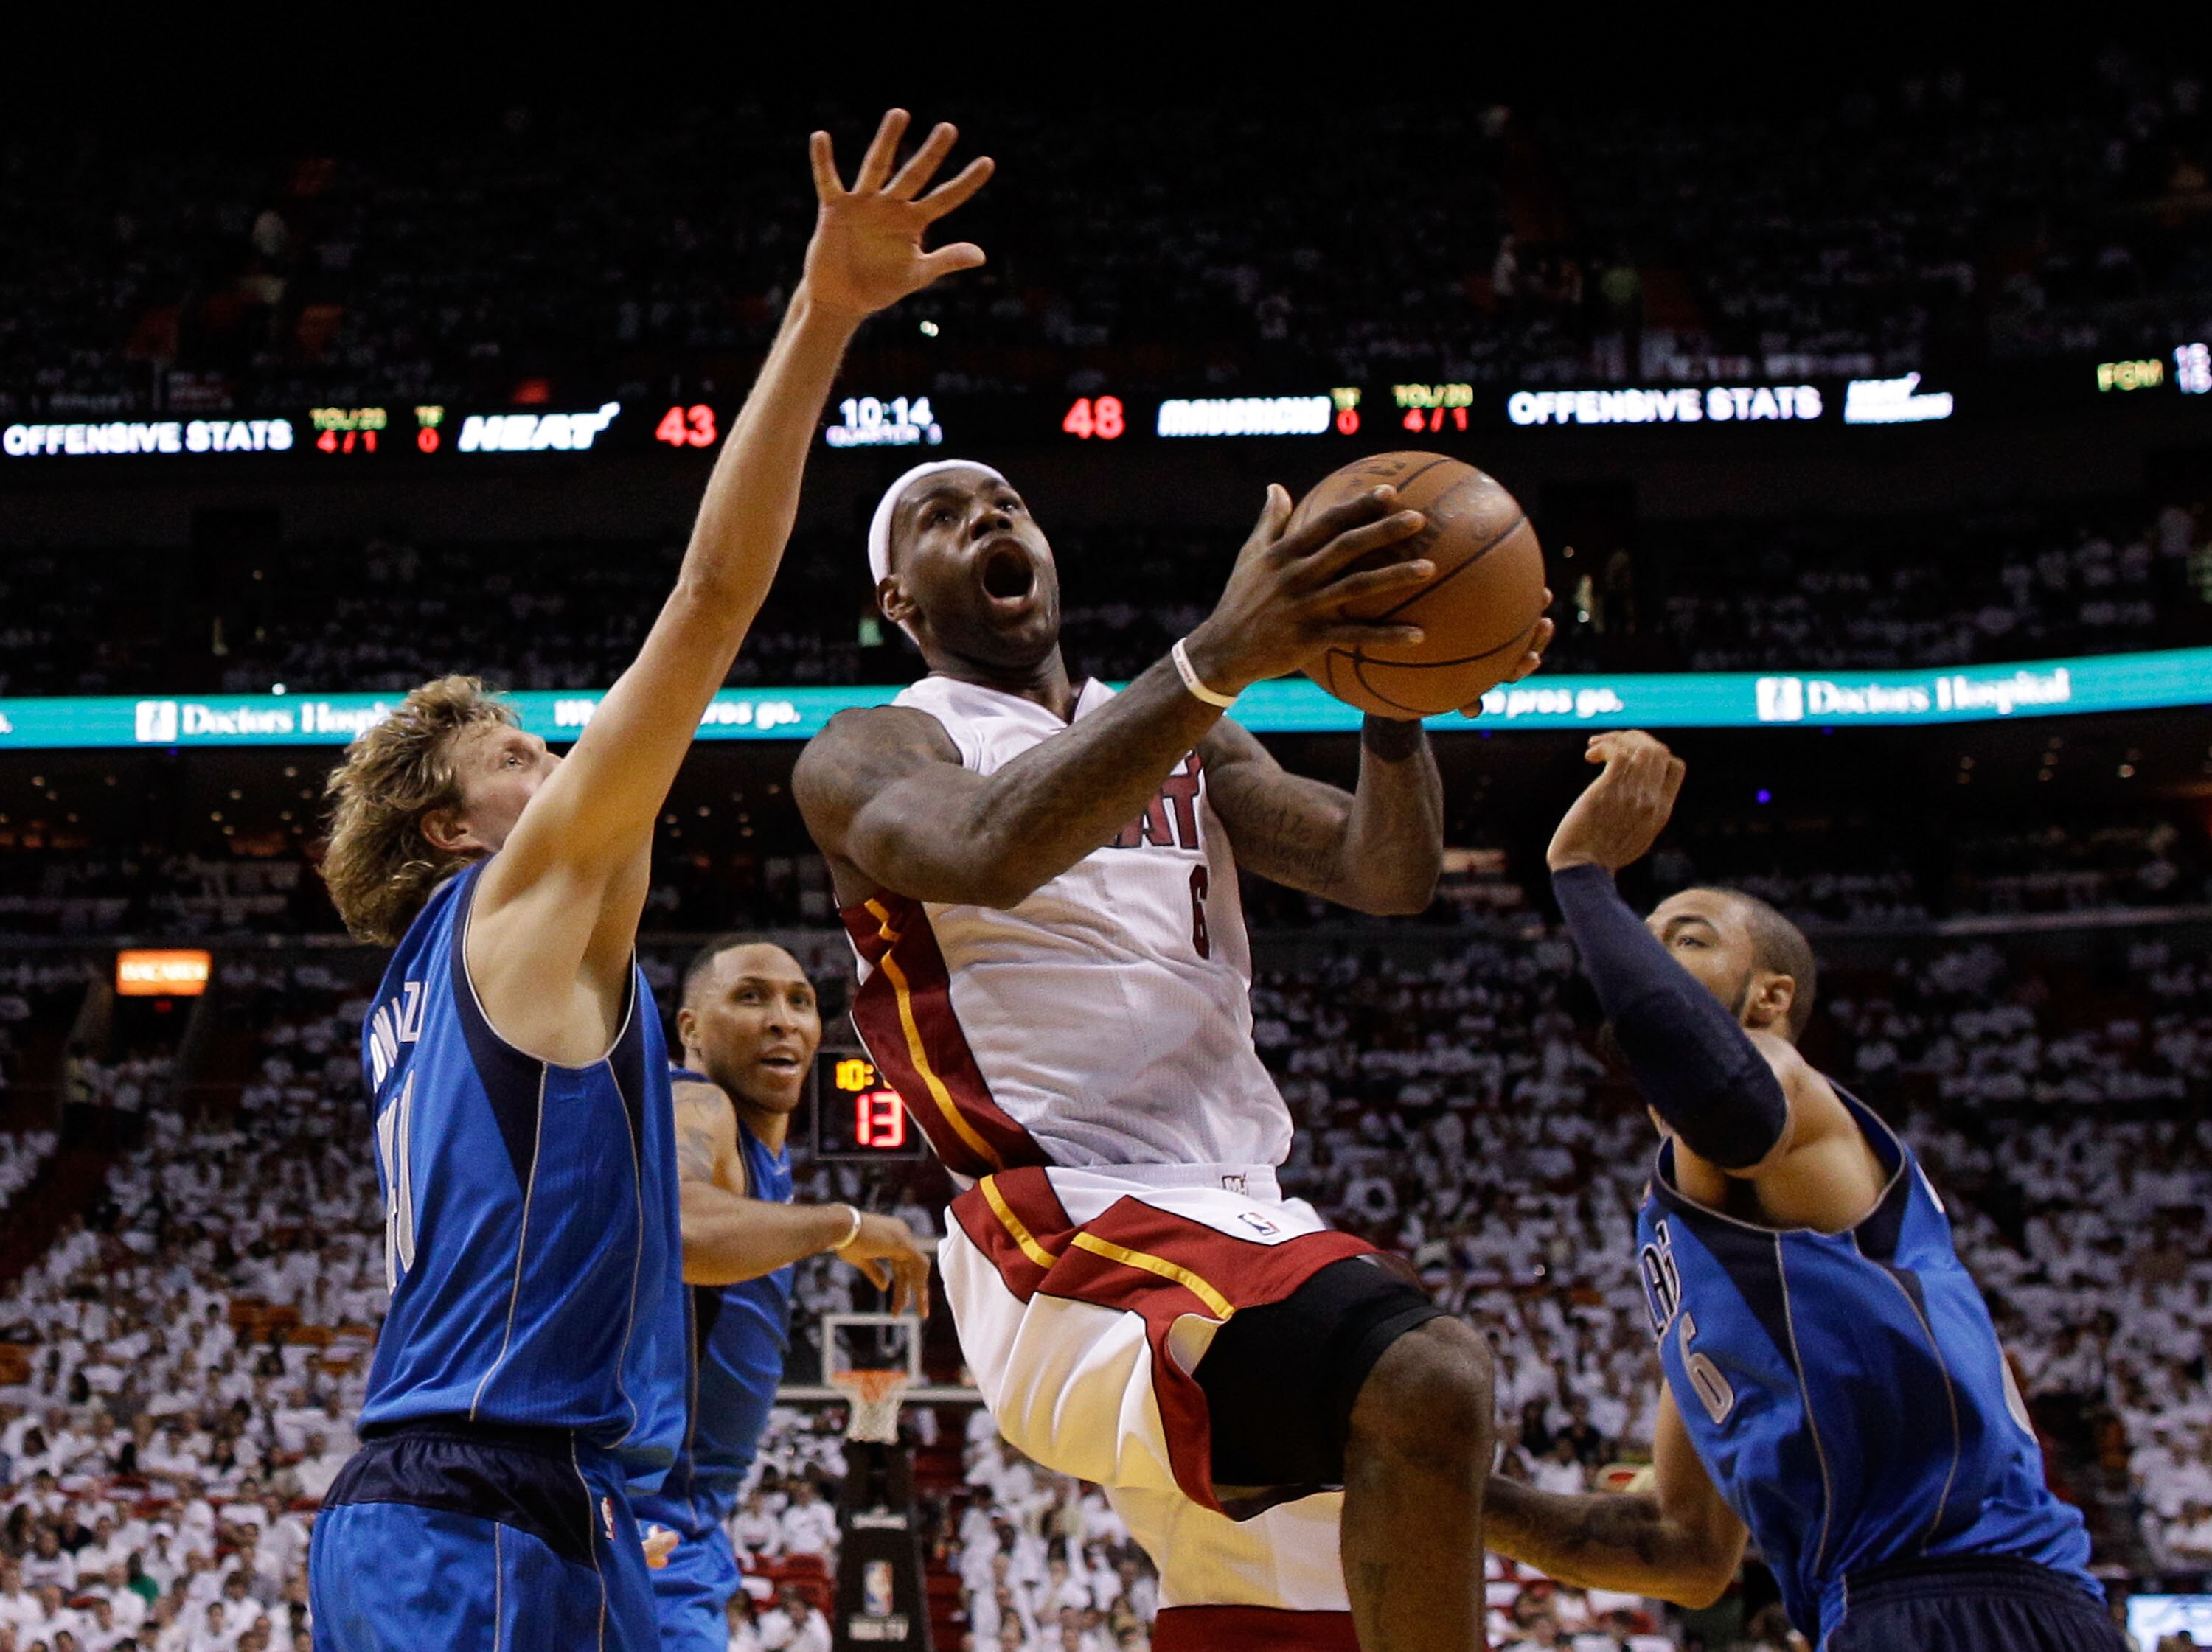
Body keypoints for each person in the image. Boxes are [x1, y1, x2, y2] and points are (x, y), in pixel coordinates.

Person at [305, 107, 992, 1651]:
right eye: (516, 752)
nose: (557, 762)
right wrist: (824, 315)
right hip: (479, 1508)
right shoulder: (511, 898)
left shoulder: (420, 990)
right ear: (450, 825)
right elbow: (710, 595)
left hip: (522, 1501)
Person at [794, 453, 1552, 1648]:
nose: (992, 514)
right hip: (1062, 1226)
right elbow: (987, 847)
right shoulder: (873, 747)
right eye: (943, 516)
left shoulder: (1187, 740)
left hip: (1242, 1211)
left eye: (1010, 500)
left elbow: (1382, 870)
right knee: (1428, 1375)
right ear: (899, 598)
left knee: (1274, 1614)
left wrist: (1392, 709)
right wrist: (1214, 657)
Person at [1482, 730, 2129, 1651]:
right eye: (1644, 937)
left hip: (1968, 1595)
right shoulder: (1707, 1262)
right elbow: (1681, 1552)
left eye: (1687, 938)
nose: (1644, 957)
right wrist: (1425, 1481)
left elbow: (1721, 1089)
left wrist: (1584, 875)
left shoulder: (1788, 1091)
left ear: (1769, 999)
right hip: (1879, 1609)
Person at [636, 937, 931, 1651]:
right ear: (691, 1029)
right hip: (647, 1530)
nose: (783, 1019)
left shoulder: (763, 1164)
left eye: (800, 1001)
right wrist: (843, 1225)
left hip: (680, 1530)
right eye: (751, 996)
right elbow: (676, 1224)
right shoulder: (696, 1103)